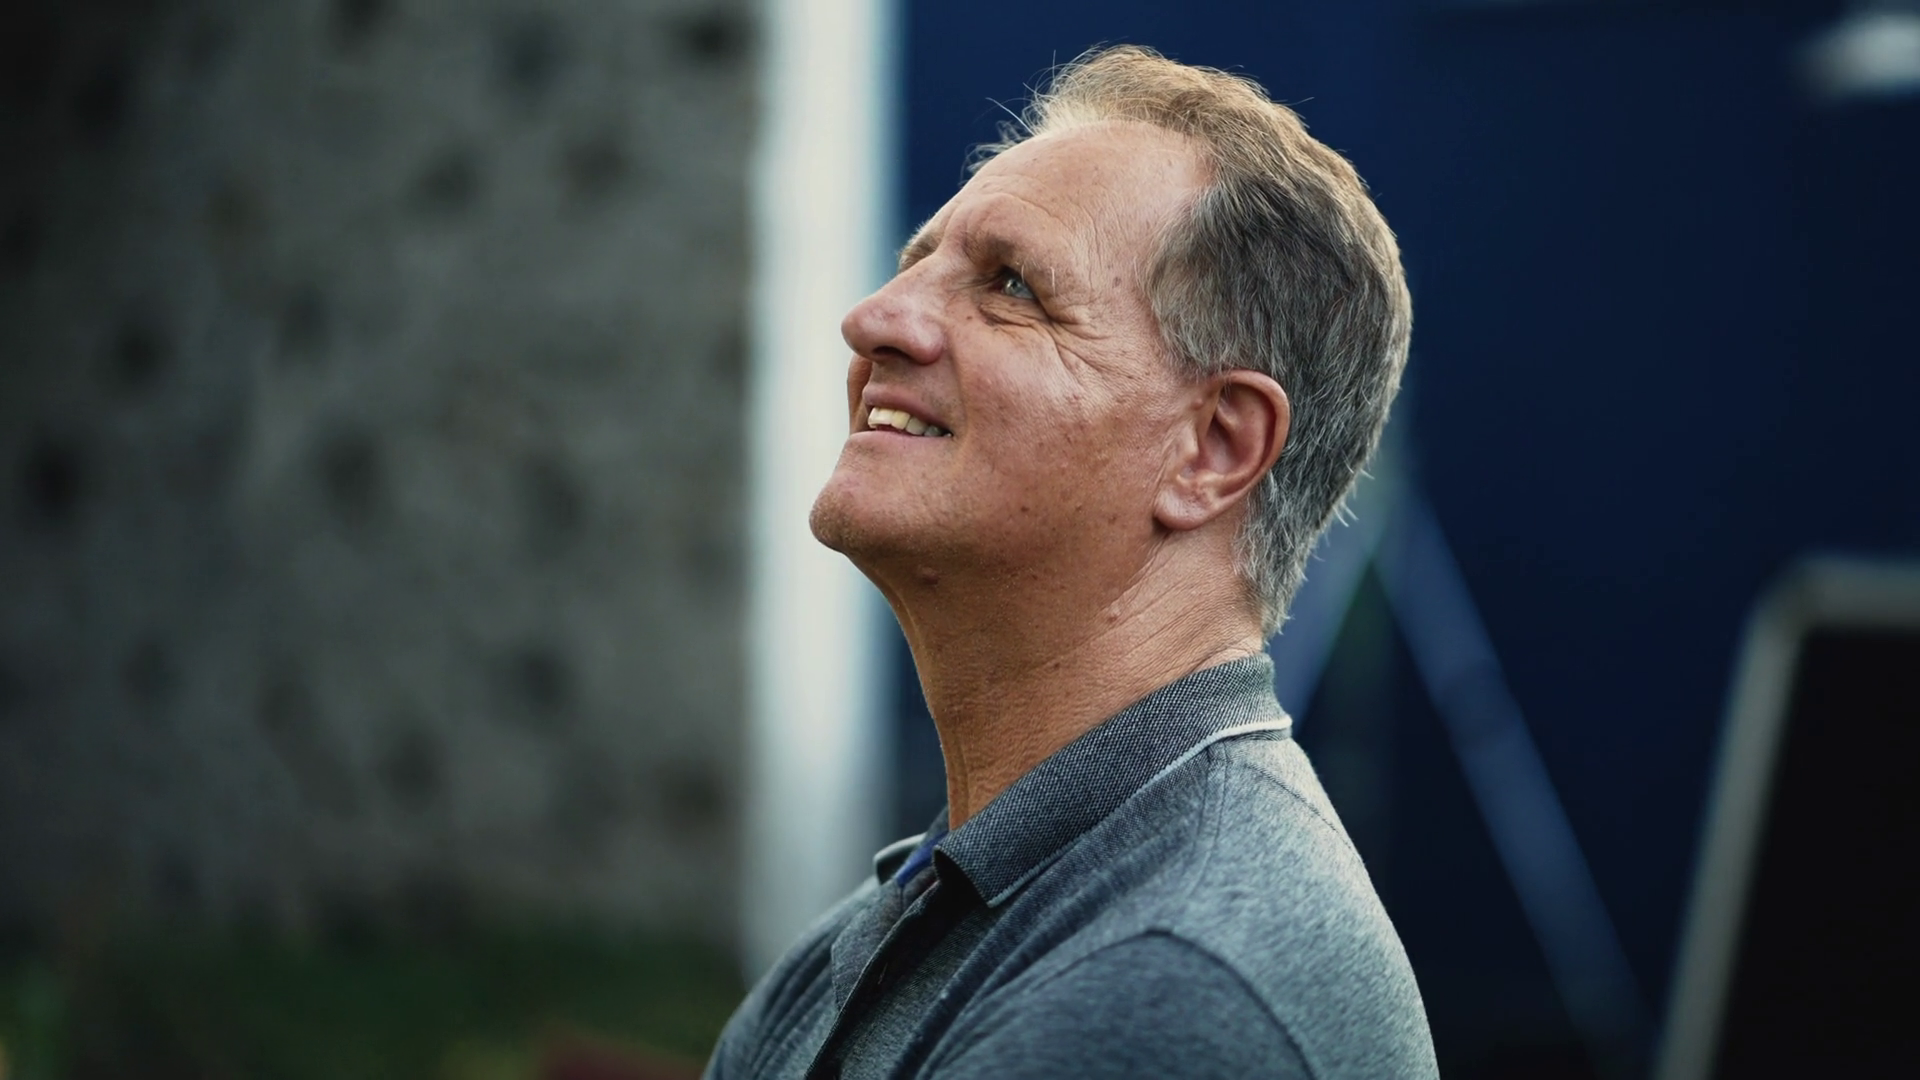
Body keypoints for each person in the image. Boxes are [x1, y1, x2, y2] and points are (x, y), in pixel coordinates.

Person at [707, 45, 1435, 1079]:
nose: (873, 319)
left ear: (1213, 448)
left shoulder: (1165, 994)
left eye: (1011, 285)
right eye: (918, 262)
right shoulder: (909, 927)